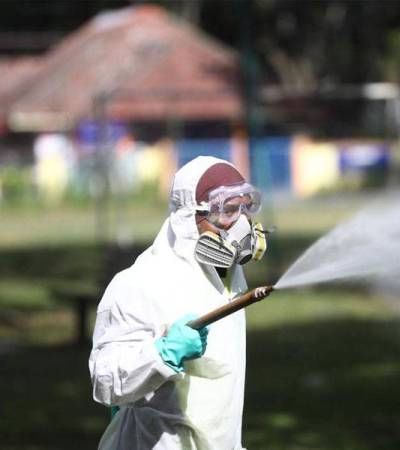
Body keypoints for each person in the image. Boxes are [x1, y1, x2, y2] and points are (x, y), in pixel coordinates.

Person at [89, 156, 267, 450]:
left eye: (246, 209)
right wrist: (162, 354)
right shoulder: (139, 283)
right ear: (189, 218)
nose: (242, 227)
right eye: (229, 212)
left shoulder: (230, 278)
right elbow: (105, 382)